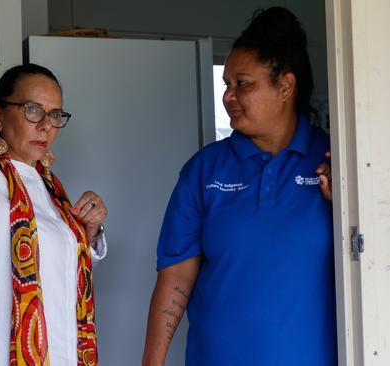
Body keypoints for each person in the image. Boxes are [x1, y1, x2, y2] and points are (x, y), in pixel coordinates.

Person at [142, 7, 336, 366]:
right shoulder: (204, 170)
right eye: (226, 85)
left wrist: (345, 204)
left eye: (242, 84)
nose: (229, 96)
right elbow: (176, 276)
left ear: (286, 86)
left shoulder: (334, 165)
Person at [0, 64, 108, 366]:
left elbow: (60, 270)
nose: (46, 125)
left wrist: (90, 231)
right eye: (33, 110)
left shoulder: (52, 190)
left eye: (56, 114)